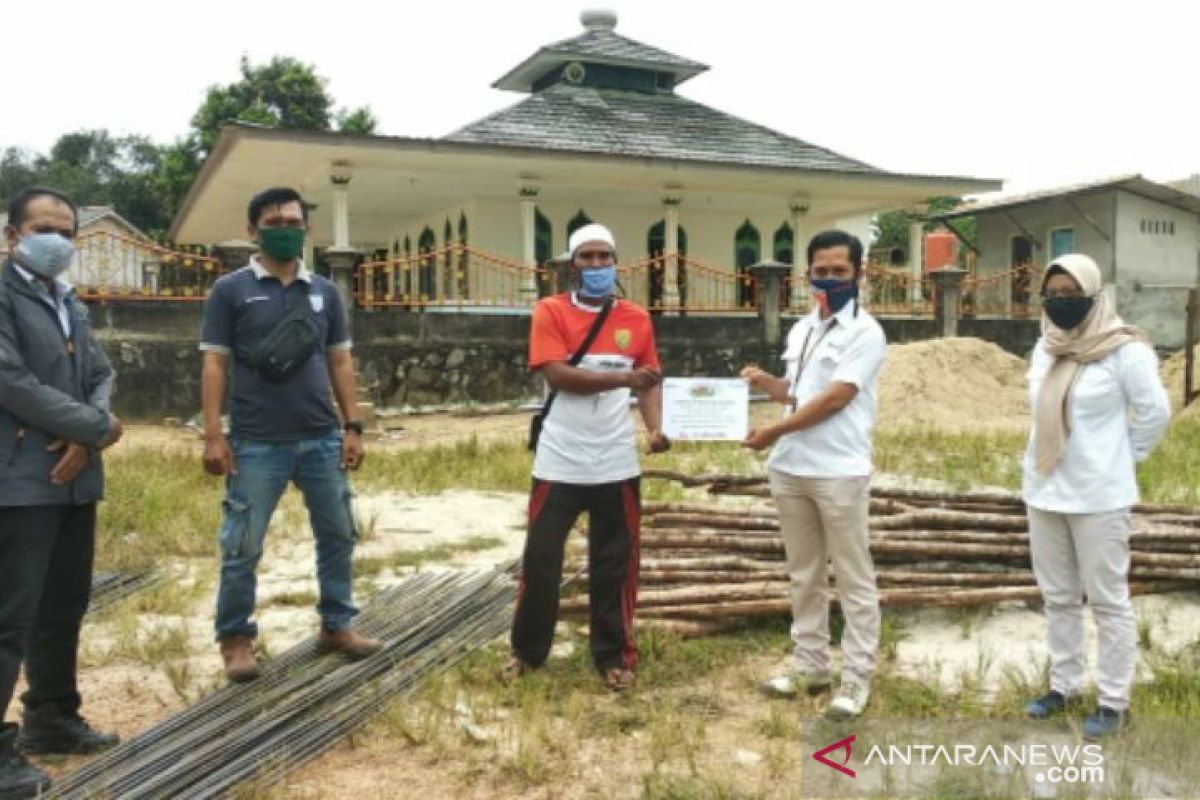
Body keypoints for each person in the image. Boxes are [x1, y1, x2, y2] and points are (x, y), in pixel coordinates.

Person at [199, 187, 379, 682]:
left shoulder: (324, 291)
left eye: (295, 221)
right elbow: (215, 362)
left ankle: (337, 625)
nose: (287, 228)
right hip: (257, 442)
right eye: (275, 220)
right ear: (254, 230)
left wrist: (353, 426)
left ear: (307, 229)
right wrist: (214, 434)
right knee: (243, 545)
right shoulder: (230, 291)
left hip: (321, 437)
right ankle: (235, 638)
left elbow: (340, 360)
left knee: (339, 533)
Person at [0, 187, 124, 799]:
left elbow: (100, 373)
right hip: (20, 480)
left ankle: (51, 716)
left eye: (67, 231)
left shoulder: (67, 302)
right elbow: (11, 381)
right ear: (12, 235)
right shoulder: (1, 296)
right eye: (43, 227)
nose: (57, 240)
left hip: (74, 480)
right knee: (8, 618)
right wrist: (95, 428)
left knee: (63, 605)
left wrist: (90, 436)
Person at [508, 223, 669, 691]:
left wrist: (655, 428)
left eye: (604, 257)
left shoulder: (637, 318)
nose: (597, 266)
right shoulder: (550, 311)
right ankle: (527, 651)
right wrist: (622, 381)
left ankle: (614, 654)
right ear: (572, 265)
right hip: (559, 460)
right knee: (540, 560)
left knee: (615, 562)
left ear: (617, 262)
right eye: (587, 258)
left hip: (616, 462)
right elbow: (557, 375)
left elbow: (651, 379)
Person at [1021, 253, 1169, 739]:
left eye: (1072, 294)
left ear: (1094, 294)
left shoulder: (1125, 350)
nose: (1063, 303)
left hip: (1100, 495)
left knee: (1108, 600)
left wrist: (1121, 459)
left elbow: (1153, 413)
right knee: (1058, 596)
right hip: (1044, 490)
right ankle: (1063, 685)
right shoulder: (1046, 347)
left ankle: (1113, 701)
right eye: (1054, 295)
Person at [741, 229, 886, 720]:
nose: (828, 280)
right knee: (804, 574)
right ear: (808, 275)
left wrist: (773, 430)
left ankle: (858, 677)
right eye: (820, 272)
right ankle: (811, 666)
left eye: (839, 272)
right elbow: (800, 391)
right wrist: (767, 384)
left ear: (858, 274)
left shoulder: (865, 332)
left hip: (839, 471)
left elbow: (835, 398)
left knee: (852, 577)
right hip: (791, 469)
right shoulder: (803, 328)